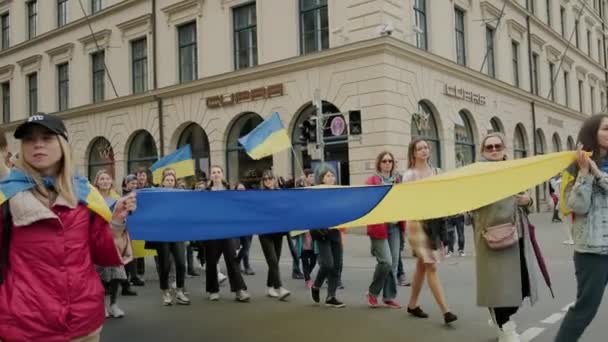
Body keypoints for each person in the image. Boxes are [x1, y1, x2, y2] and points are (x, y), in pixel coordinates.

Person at [0, 113, 136, 341]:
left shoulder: (86, 193)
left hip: (82, 324)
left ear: (62, 144)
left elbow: (104, 254)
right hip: (25, 325)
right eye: (30, 140)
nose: (38, 144)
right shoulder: (5, 195)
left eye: (47, 137)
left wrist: (117, 221)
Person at [472, 132, 544, 342]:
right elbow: (471, 207)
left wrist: (528, 201)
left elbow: (526, 200)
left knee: (520, 287)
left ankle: (498, 316)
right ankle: (506, 328)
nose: (494, 150)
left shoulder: (515, 171)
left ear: (504, 149)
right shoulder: (477, 174)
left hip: (517, 235)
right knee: (499, 288)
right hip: (491, 238)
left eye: (497, 146)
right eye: (489, 147)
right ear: (483, 152)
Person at [555, 114, 608, 342]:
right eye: (606, 128)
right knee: (585, 309)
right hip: (593, 252)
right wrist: (585, 173)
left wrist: (597, 172)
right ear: (592, 134)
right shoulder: (574, 167)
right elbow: (576, 206)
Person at [404, 138, 457, 325]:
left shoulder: (437, 172)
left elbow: (444, 194)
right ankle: (446, 311)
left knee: (422, 265)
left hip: (435, 222)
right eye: (420, 148)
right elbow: (406, 200)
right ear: (413, 153)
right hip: (417, 224)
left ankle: (412, 304)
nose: (424, 150)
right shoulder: (409, 175)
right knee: (431, 266)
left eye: (426, 147)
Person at [365, 151, 407, 309]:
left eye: (390, 161)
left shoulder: (398, 180)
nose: (388, 163)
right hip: (379, 227)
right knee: (386, 262)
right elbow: (367, 202)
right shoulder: (372, 181)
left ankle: (388, 297)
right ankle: (372, 292)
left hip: (395, 227)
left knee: (394, 264)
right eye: (384, 161)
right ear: (379, 163)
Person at [204, 166, 250, 302]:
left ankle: (239, 290)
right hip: (211, 231)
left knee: (232, 260)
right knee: (211, 261)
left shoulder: (230, 191)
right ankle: (213, 290)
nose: (216, 174)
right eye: (213, 172)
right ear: (210, 176)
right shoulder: (205, 192)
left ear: (222, 175)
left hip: (227, 230)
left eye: (218, 172)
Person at [146, 170, 190, 306]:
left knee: (181, 264)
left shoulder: (180, 196)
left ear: (175, 183)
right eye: (168, 180)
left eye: (172, 180)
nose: (170, 182)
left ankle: (180, 291)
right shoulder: (156, 196)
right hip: (162, 234)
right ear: (163, 183)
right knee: (165, 265)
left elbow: (186, 215)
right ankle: (165, 291)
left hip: (178, 234)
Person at [94, 170, 133, 318]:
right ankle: (102, 305)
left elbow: (125, 217)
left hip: (115, 240)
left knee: (116, 273)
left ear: (111, 182)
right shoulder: (92, 199)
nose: (104, 181)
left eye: (107, 178)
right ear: (97, 182)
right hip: (98, 240)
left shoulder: (118, 198)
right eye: (101, 178)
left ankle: (114, 304)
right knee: (100, 275)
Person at [310, 164, 346, 308]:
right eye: (328, 175)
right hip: (322, 233)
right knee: (327, 264)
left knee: (337, 265)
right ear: (322, 179)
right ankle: (316, 285)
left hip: (335, 232)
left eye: (332, 175)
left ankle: (331, 296)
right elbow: (310, 213)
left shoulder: (338, 193)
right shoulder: (315, 194)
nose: (331, 178)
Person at [258, 170, 291, 300]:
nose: (268, 181)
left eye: (270, 178)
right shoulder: (260, 195)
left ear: (275, 179)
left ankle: (269, 287)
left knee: (275, 261)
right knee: (272, 260)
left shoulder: (281, 193)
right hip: (264, 232)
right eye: (265, 179)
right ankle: (280, 288)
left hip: (278, 231)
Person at [235, 182, 255, 276]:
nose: (241, 191)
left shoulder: (249, 199)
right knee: (245, 246)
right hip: (239, 227)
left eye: (242, 189)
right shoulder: (234, 200)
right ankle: (243, 265)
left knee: (247, 247)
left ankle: (242, 265)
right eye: (239, 189)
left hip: (249, 226)